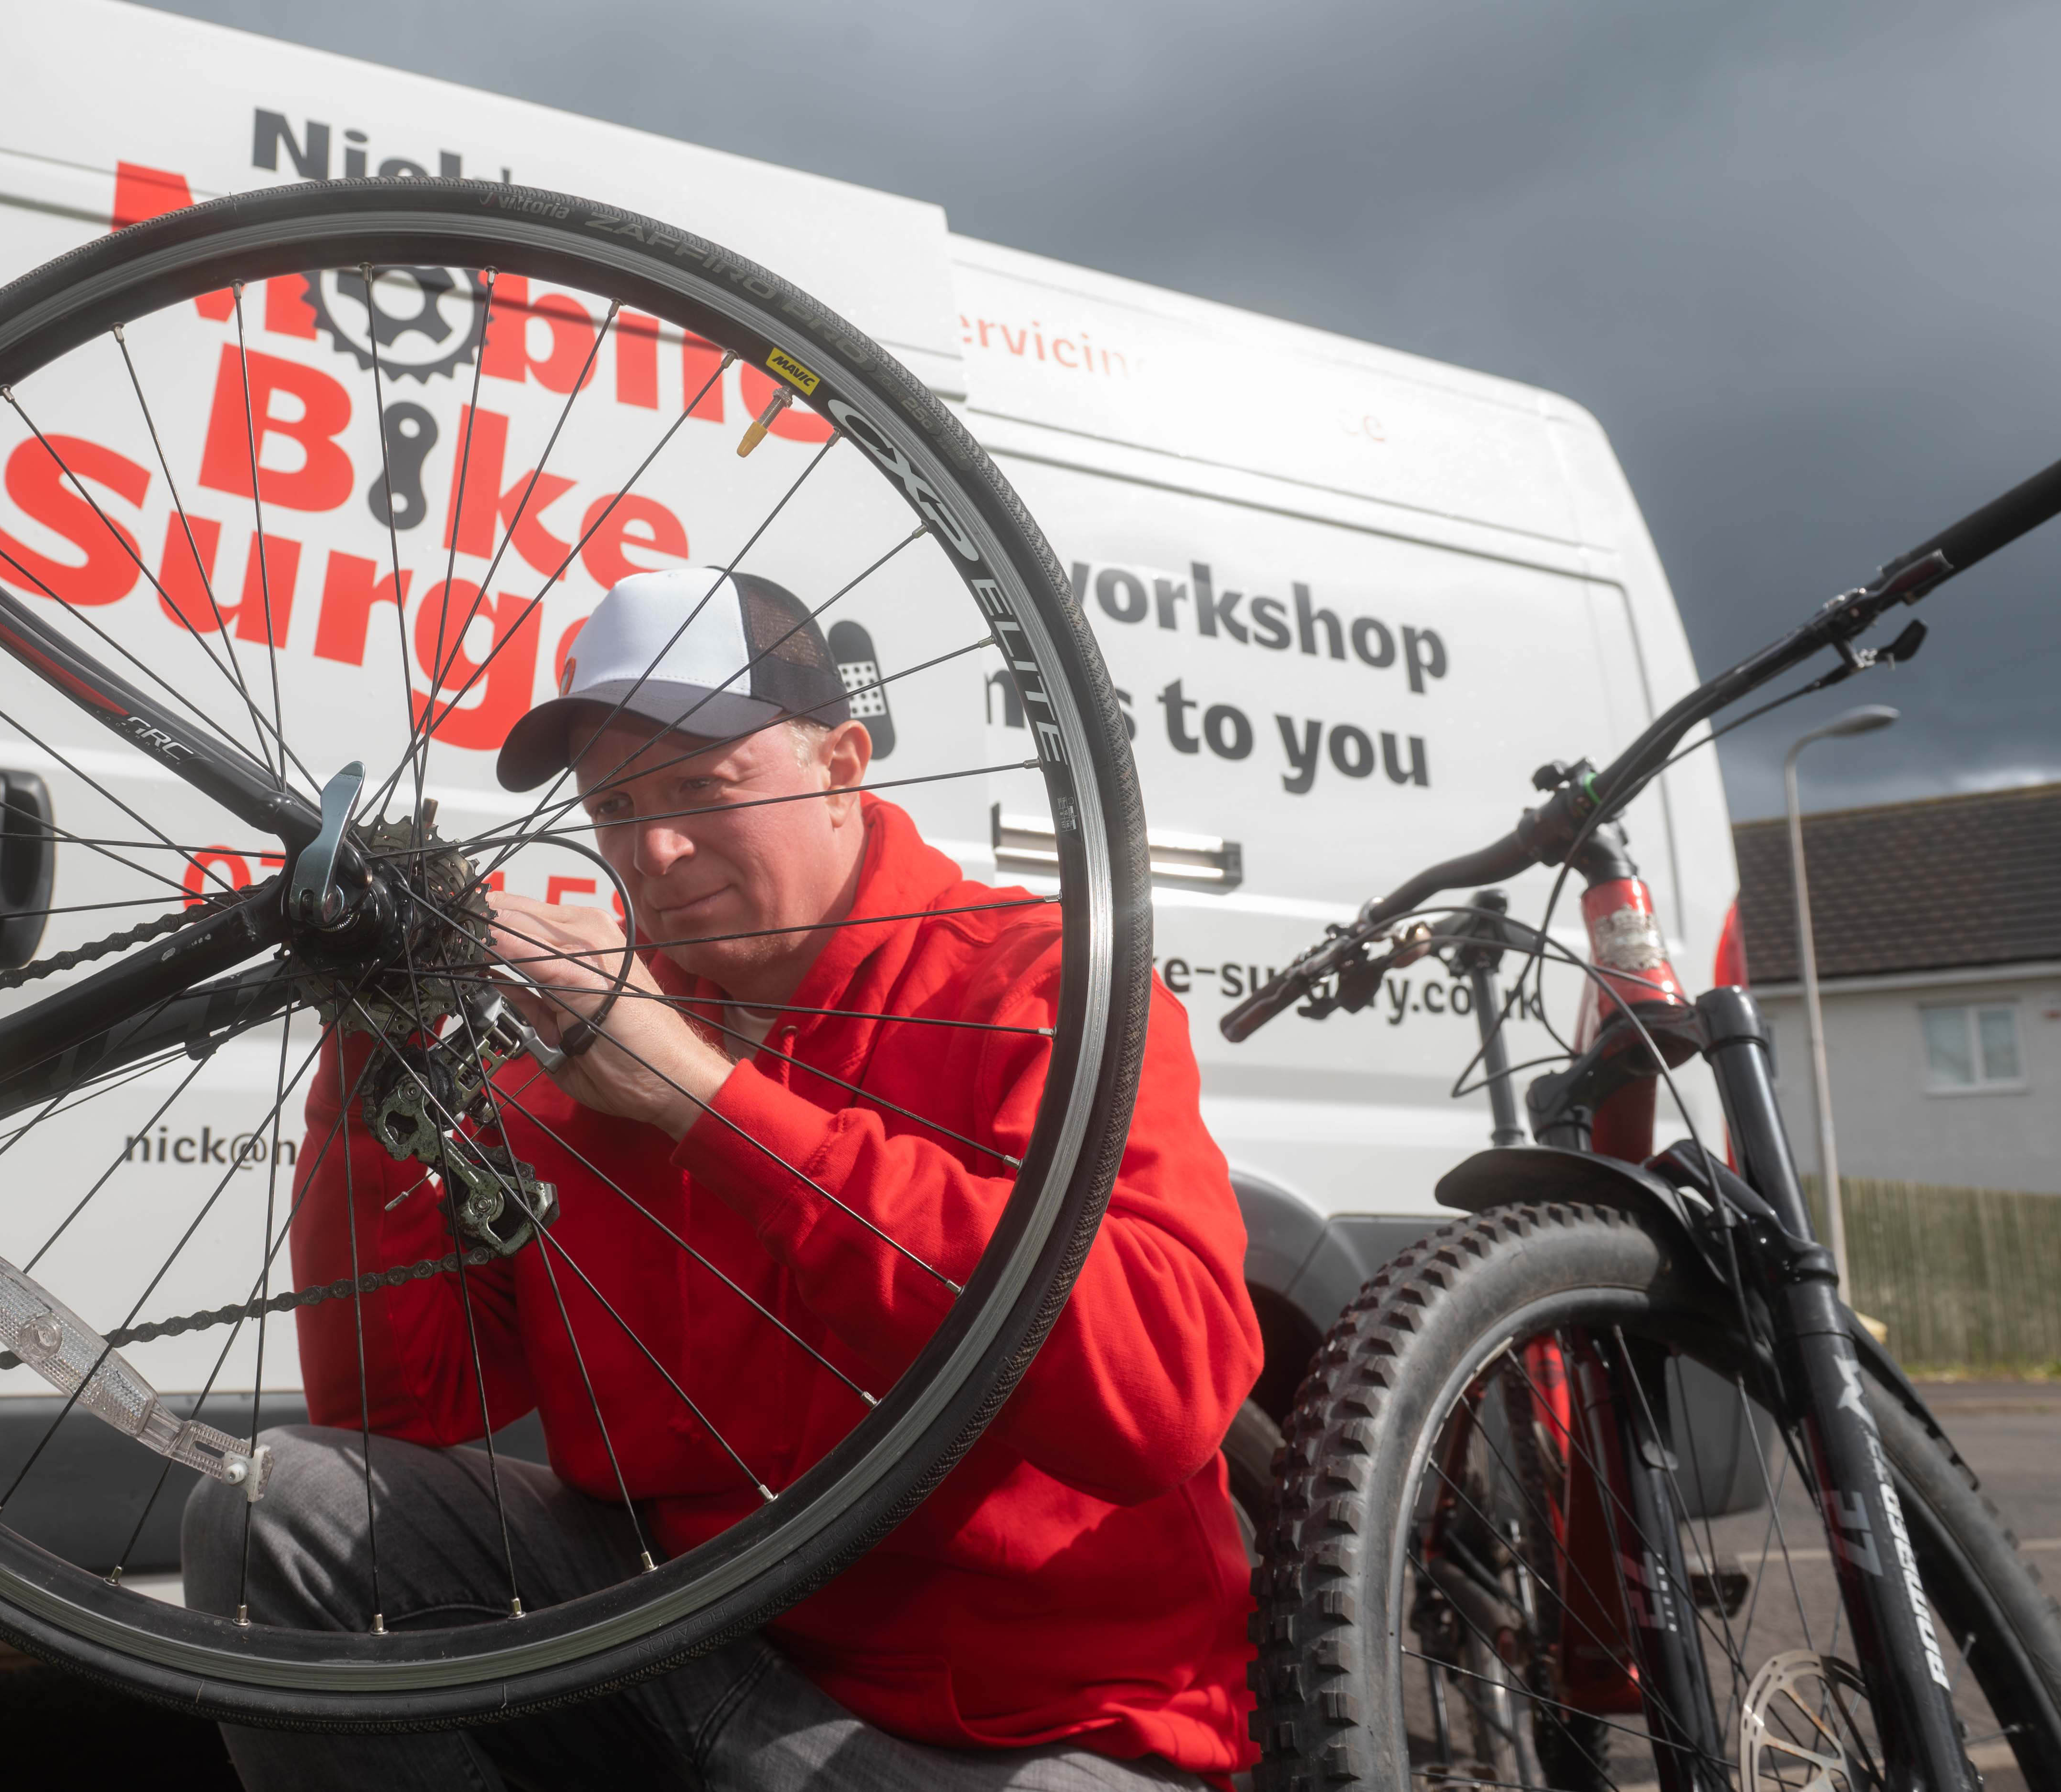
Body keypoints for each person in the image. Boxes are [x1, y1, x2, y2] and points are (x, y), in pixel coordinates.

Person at [184, 567, 1263, 1790]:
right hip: (700, 1645)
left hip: (1026, 1734)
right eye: (615, 804)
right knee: (277, 1504)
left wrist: (706, 1105)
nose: (655, 848)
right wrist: (374, 1048)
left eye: (704, 787)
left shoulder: (1033, 982)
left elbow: (1163, 1393)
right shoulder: (574, 1065)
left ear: (844, 766)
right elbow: (398, 1413)